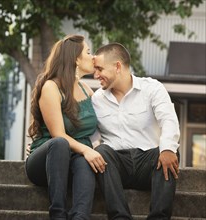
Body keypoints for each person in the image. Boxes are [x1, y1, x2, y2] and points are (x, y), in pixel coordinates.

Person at [92, 42, 180, 220]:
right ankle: (120, 217)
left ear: (117, 66)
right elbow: (92, 137)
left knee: (166, 152)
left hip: (149, 163)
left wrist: (168, 148)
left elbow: (168, 119)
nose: (96, 75)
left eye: (100, 69)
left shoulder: (152, 88)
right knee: (101, 151)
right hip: (115, 166)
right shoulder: (96, 99)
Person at [25, 34, 106, 220]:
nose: (93, 57)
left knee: (85, 160)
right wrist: (87, 150)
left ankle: (80, 217)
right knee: (61, 143)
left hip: (75, 161)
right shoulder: (51, 87)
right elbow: (57, 134)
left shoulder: (87, 90)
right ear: (76, 59)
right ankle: (58, 215)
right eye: (88, 52)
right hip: (45, 162)